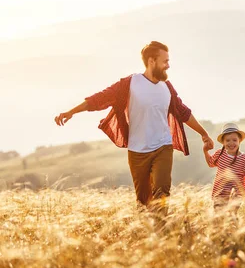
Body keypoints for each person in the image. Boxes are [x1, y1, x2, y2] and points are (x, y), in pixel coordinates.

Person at [54, 41, 214, 219]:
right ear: (152, 61)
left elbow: (183, 112)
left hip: (163, 146)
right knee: (143, 201)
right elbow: (100, 98)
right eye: (165, 61)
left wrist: (203, 133)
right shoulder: (130, 83)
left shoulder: (167, 88)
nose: (168, 65)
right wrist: (71, 112)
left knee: (162, 190)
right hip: (137, 150)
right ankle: (148, 232)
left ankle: (162, 231)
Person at [203, 123, 245, 210]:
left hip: (235, 197)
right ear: (223, 142)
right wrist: (205, 151)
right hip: (220, 194)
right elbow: (210, 163)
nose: (231, 143)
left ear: (239, 141)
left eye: (234, 140)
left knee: (231, 218)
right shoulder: (220, 153)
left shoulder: (243, 159)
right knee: (218, 219)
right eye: (228, 140)